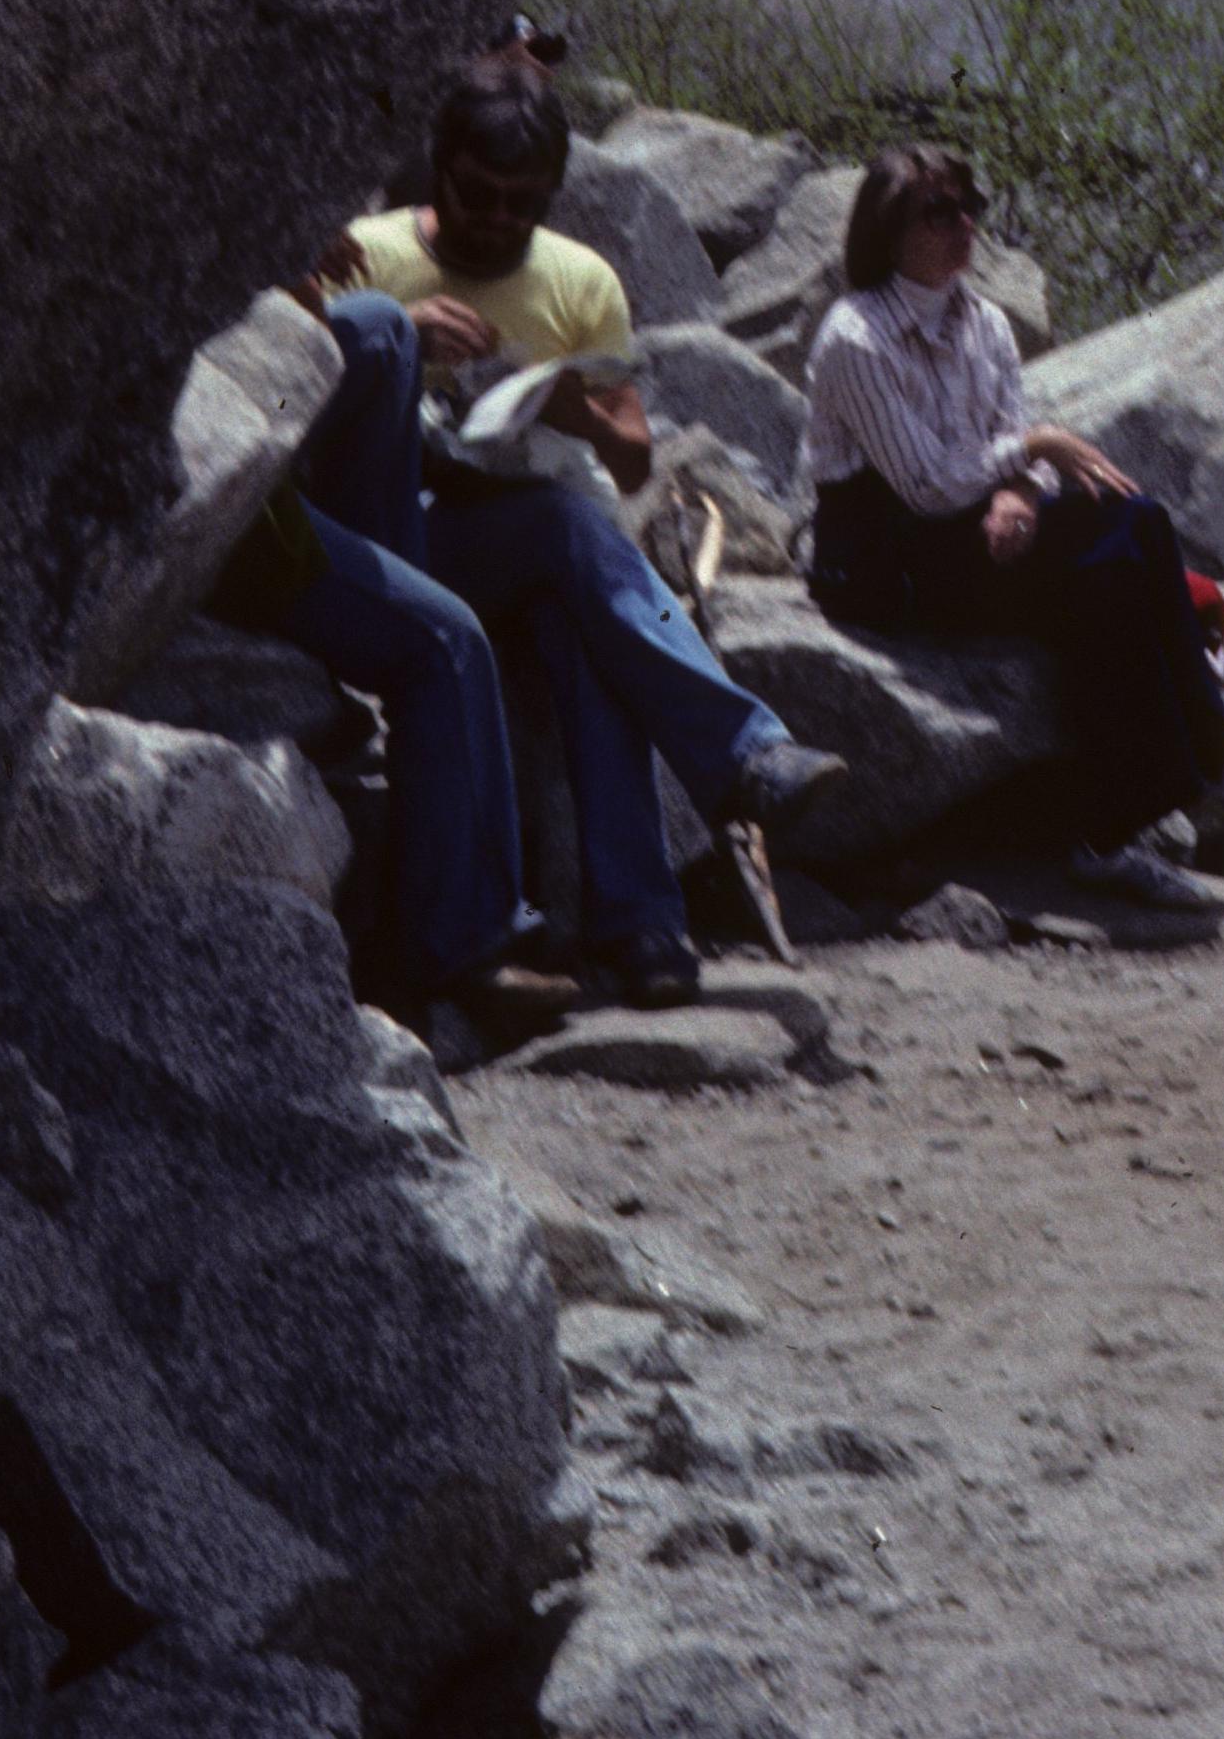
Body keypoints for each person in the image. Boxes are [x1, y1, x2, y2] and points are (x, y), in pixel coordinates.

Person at [298, 52, 844, 1021]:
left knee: (576, 578)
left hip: (493, 522)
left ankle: (648, 919)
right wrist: (393, 337)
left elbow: (634, 461)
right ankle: (688, 845)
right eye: (477, 195)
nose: (496, 220)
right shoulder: (367, 255)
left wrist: (570, 409)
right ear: (440, 169)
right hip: (373, 525)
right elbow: (279, 404)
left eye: (523, 205)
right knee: (579, 582)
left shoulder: (579, 281)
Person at [795, 143, 1224, 909]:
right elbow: (923, 485)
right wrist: (1033, 451)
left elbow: (1005, 450)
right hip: (883, 559)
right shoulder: (856, 337)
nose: (965, 225)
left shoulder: (982, 323)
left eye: (969, 206)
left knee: (1134, 532)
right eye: (938, 213)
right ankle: (1192, 773)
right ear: (887, 231)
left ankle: (1136, 816)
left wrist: (1018, 490)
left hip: (966, 531)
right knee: (1114, 573)